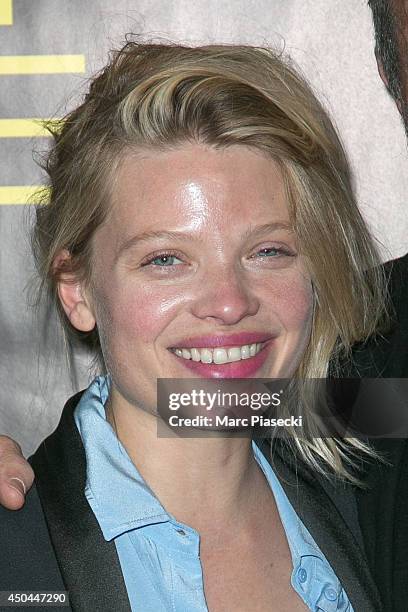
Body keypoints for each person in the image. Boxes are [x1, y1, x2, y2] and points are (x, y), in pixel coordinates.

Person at [0, 41, 390, 611]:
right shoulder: (17, 557)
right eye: (166, 259)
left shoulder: (371, 473)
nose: (229, 303)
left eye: (269, 250)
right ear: (77, 291)